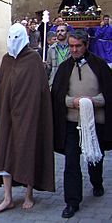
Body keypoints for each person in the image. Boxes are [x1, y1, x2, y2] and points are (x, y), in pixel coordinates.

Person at [0, 23, 55, 212]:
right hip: (7, 116)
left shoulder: (33, 60)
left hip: (28, 116)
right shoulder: (6, 60)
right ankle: (8, 197)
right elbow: (1, 90)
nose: (13, 42)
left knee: (27, 151)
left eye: (16, 38)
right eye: (10, 38)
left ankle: (29, 193)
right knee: (4, 152)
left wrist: (30, 110)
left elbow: (39, 91)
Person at [51, 30, 112, 219]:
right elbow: (57, 94)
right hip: (72, 123)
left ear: (86, 45)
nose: (74, 49)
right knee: (71, 162)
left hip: (95, 123)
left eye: (78, 46)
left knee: (96, 157)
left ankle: (97, 182)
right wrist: (73, 102)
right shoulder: (64, 68)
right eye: (71, 46)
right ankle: (72, 201)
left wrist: (93, 101)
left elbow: (109, 93)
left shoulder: (99, 65)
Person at [46, 24, 71, 88]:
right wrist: (44, 67)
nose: (60, 33)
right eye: (58, 31)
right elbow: (49, 67)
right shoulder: (51, 49)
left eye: (62, 31)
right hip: (55, 81)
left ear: (67, 33)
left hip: (69, 80)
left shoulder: (72, 48)